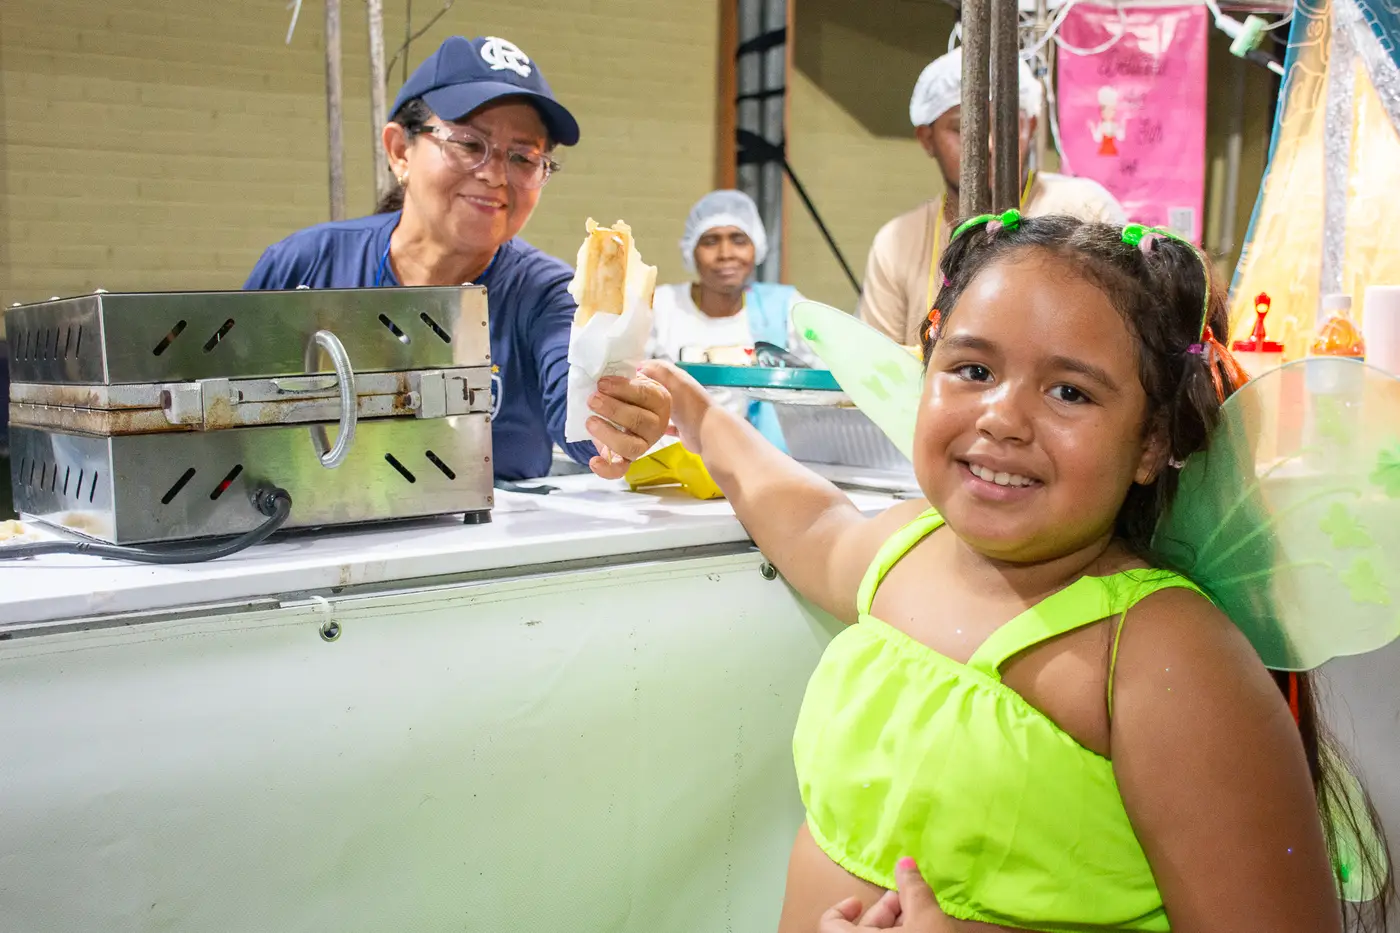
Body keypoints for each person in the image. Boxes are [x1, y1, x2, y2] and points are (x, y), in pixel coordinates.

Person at [643, 213, 1390, 932]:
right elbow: (811, 523)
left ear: (1151, 442)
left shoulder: (1165, 658)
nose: (1002, 417)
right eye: (973, 370)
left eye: (1070, 391)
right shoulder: (903, 550)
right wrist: (689, 412)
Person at [244, 35, 670, 482]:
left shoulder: (543, 294)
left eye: (523, 157)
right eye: (468, 144)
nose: (495, 175)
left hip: (491, 528)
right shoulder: (306, 266)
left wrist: (621, 420)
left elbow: (582, 415)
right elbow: (227, 418)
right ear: (399, 151)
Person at [859, 48, 1128, 347]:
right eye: (963, 128)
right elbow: (876, 362)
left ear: (1031, 127)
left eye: (1006, 125)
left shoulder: (1086, 210)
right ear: (927, 139)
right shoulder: (897, 243)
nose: (987, 144)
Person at [648, 189, 816, 449]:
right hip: (668, 458)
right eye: (710, 241)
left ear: (756, 247)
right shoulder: (662, 306)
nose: (725, 253)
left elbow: (826, 379)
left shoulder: (783, 310)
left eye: (738, 240)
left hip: (757, 461)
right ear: (691, 250)